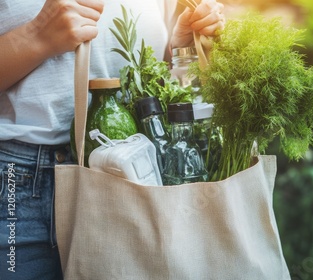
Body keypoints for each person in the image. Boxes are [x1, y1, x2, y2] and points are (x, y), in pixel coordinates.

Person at [0, 0, 224, 279]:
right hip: (19, 185)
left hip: (131, 171)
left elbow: (146, 87)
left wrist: (178, 52)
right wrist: (36, 36)